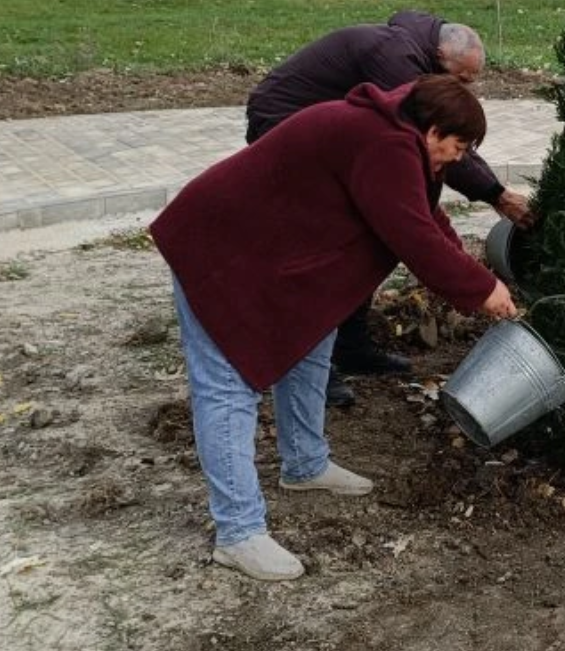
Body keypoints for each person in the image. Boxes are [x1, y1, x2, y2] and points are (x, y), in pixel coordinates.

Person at [152, 75, 520, 581]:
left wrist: (476, 274)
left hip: (266, 252)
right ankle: (237, 532)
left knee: (310, 342)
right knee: (226, 383)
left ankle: (304, 464)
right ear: (433, 130)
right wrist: (481, 291)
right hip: (217, 247)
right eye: (455, 149)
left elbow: (428, 218)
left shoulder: (398, 140)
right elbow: (413, 236)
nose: (455, 162)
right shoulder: (383, 144)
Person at [245, 11, 533, 407]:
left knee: (367, 242)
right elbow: (415, 219)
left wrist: (466, 266)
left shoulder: (416, 63)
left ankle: (350, 345)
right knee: (330, 247)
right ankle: (310, 363)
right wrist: (495, 198)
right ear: (440, 57)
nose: (464, 88)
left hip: (331, 138)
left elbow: (426, 199)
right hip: (282, 123)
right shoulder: (395, 62)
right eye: (461, 80)